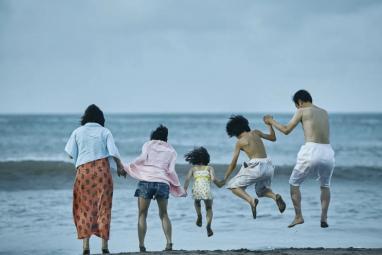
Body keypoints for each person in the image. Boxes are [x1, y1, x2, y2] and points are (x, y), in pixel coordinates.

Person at [264, 89, 335, 228]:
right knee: (325, 185)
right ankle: (324, 218)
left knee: (294, 183)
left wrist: (270, 121)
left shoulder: (302, 110)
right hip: (328, 152)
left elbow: (286, 130)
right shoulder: (324, 112)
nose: (297, 108)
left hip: (311, 150)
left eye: (296, 105)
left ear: (300, 102)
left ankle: (298, 216)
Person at [64, 104, 126, 255]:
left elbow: (70, 154)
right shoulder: (105, 131)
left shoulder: (78, 131)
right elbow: (113, 151)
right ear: (101, 118)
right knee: (104, 206)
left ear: (85, 117)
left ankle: (86, 246)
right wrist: (119, 166)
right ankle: (104, 246)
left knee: (84, 207)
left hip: (84, 172)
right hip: (102, 172)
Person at [123, 125, 186, 252]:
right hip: (162, 183)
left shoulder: (148, 144)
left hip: (146, 181)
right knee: (164, 214)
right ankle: (169, 243)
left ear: (153, 136)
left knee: (142, 214)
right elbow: (171, 171)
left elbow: (140, 159)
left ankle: (142, 245)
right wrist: (178, 188)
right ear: (166, 138)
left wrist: (128, 167)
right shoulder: (172, 151)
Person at [219, 115, 286, 219]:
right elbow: (273, 138)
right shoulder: (256, 132)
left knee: (233, 186)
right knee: (261, 191)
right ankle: (275, 196)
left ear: (235, 132)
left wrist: (225, 178)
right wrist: (269, 125)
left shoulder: (240, 142)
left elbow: (233, 164)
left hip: (256, 167)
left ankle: (251, 200)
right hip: (268, 166)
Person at [183, 147, 221, 237]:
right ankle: (208, 225)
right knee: (209, 208)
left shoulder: (193, 169)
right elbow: (213, 178)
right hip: (206, 190)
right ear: (206, 158)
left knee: (197, 202)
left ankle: (199, 215)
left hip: (197, 190)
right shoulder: (209, 168)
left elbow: (187, 179)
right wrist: (221, 182)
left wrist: (184, 190)